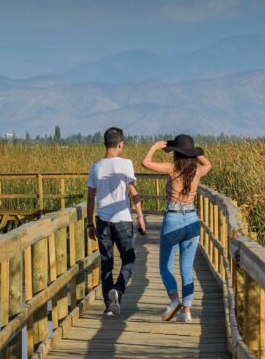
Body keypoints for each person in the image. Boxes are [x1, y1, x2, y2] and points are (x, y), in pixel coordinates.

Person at [141, 134, 212, 323]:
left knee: (165, 266)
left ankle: (174, 300)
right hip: (191, 219)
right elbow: (209, 164)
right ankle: (186, 311)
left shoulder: (172, 168)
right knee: (187, 269)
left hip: (173, 218)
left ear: (176, 153)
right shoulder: (197, 171)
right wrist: (196, 152)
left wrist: (156, 147)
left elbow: (145, 163)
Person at [86, 127, 146, 316]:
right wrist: (140, 216)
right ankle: (118, 289)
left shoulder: (95, 167)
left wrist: (89, 224)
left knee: (107, 263)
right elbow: (132, 191)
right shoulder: (126, 164)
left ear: (105, 143)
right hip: (122, 220)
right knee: (128, 258)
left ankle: (108, 306)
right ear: (120, 144)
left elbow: (90, 198)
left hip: (103, 221)